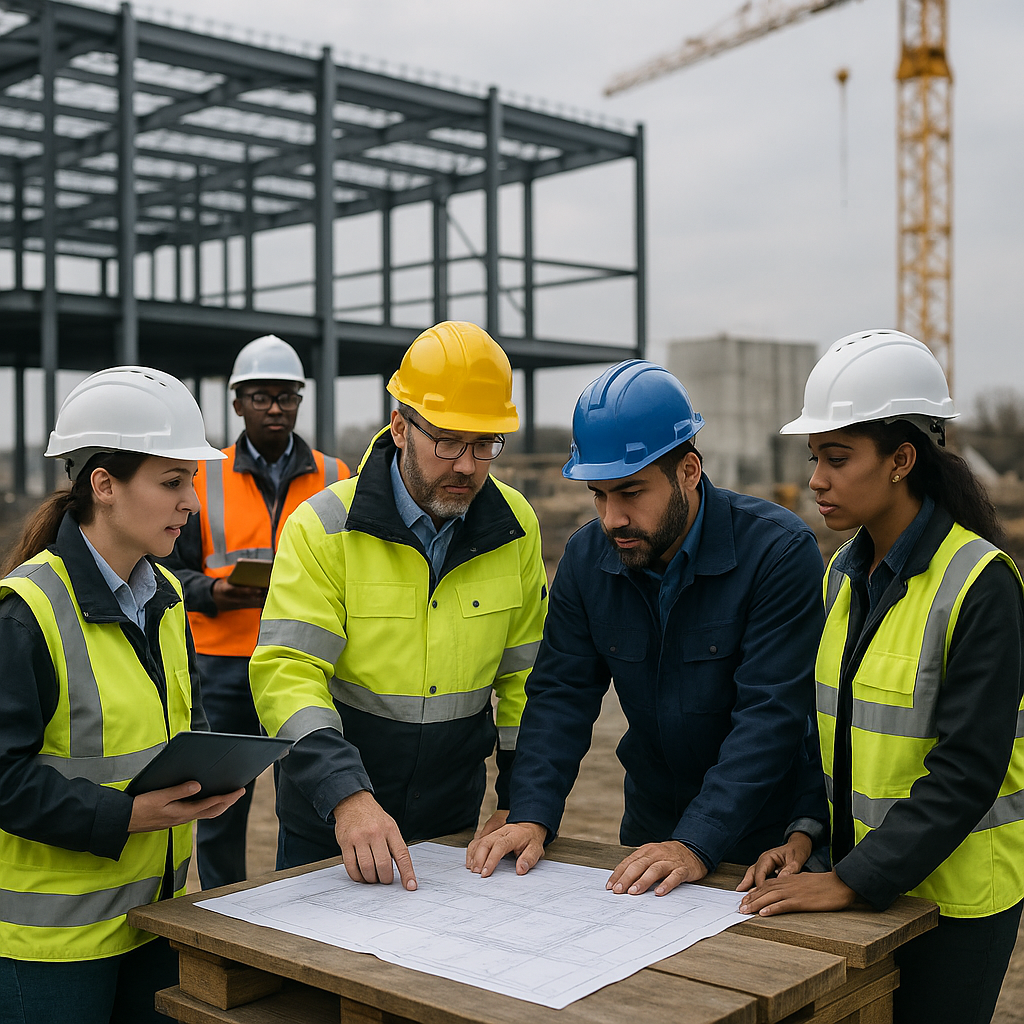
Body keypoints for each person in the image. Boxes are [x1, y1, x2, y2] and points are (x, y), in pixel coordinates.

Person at [737, 329, 1024, 1024]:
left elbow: (966, 769)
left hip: (953, 904)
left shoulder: (981, 583)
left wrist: (850, 881)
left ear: (902, 460)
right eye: (814, 459)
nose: (815, 481)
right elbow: (829, 728)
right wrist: (808, 831)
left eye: (837, 458)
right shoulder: (842, 573)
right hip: (865, 887)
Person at [468, 359, 825, 896]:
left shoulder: (776, 553)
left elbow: (770, 717)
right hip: (650, 831)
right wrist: (531, 811)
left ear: (688, 471)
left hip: (764, 840)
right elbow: (560, 695)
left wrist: (697, 842)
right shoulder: (588, 559)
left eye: (630, 493)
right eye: (599, 494)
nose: (611, 518)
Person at [249, 320, 548, 890]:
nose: (467, 465)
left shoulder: (516, 527)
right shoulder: (323, 526)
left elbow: (526, 678)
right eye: (449, 441)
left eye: (485, 444)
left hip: (453, 825)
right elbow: (287, 674)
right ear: (400, 426)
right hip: (331, 823)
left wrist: (523, 800)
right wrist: (347, 797)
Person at [0, 366, 243, 1024]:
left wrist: (204, 778)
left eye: (189, 481)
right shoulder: (25, 614)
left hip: (155, 923)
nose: (190, 502)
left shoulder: (163, 599)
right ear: (103, 485)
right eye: (171, 481)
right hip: (53, 954)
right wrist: (129, 816)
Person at [163, 334, 349, 889]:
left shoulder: (337, 477)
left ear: (299, 401)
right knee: (219, 807)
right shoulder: (204, 474)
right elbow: (170, 567)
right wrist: (213, 594)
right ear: (237, 401)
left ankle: (304, 907)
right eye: (261, 396)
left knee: (315, 795)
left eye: (286, 396)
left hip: (306, 665)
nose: (275, 407)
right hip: (223, 664)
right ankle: (224, 910)